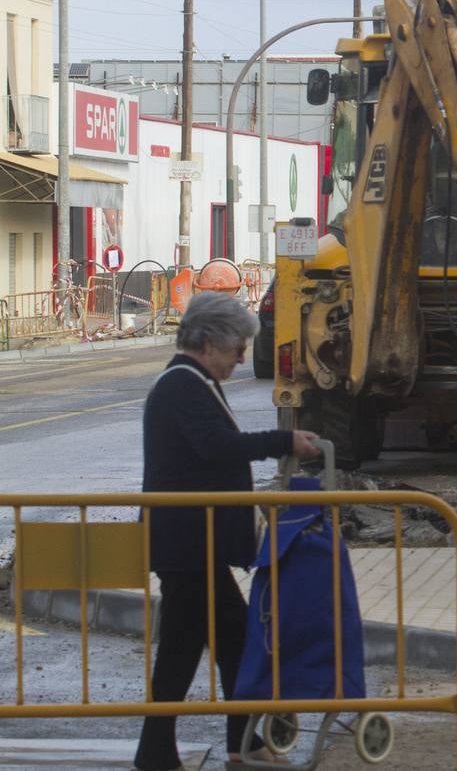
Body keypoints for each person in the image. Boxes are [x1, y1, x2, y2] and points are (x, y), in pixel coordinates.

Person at [134, 291, 321, 771]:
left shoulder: (193, 381)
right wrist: (284, 441)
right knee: (189, 645)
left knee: (228, 639)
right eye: (238, 345)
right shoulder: (182, 384)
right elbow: (216, 447)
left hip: (196, 541)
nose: (243, 356)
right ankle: (169, 751)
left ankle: (239, 744)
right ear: (210, 340)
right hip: (188, 542)